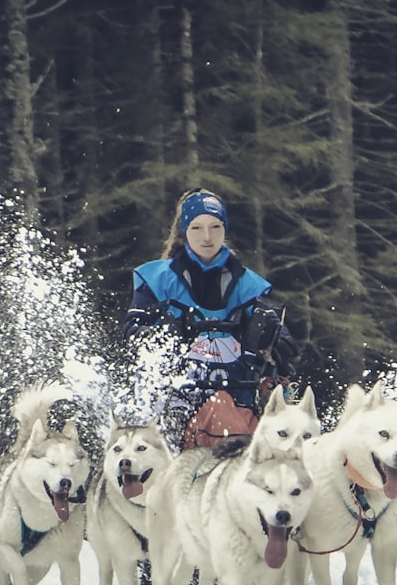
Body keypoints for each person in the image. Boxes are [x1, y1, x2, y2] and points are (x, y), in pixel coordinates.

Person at [125, 188, 299, 451]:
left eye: (215, 226)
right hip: (176, 398)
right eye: (197, 228)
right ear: (184, 231)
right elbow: (133, 335)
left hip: (239, 393)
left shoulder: (250, 285)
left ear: (225, 229)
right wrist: (160, 335)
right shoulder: (155, 279)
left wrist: (276, 342)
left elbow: (281, 342)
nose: (207, 237)